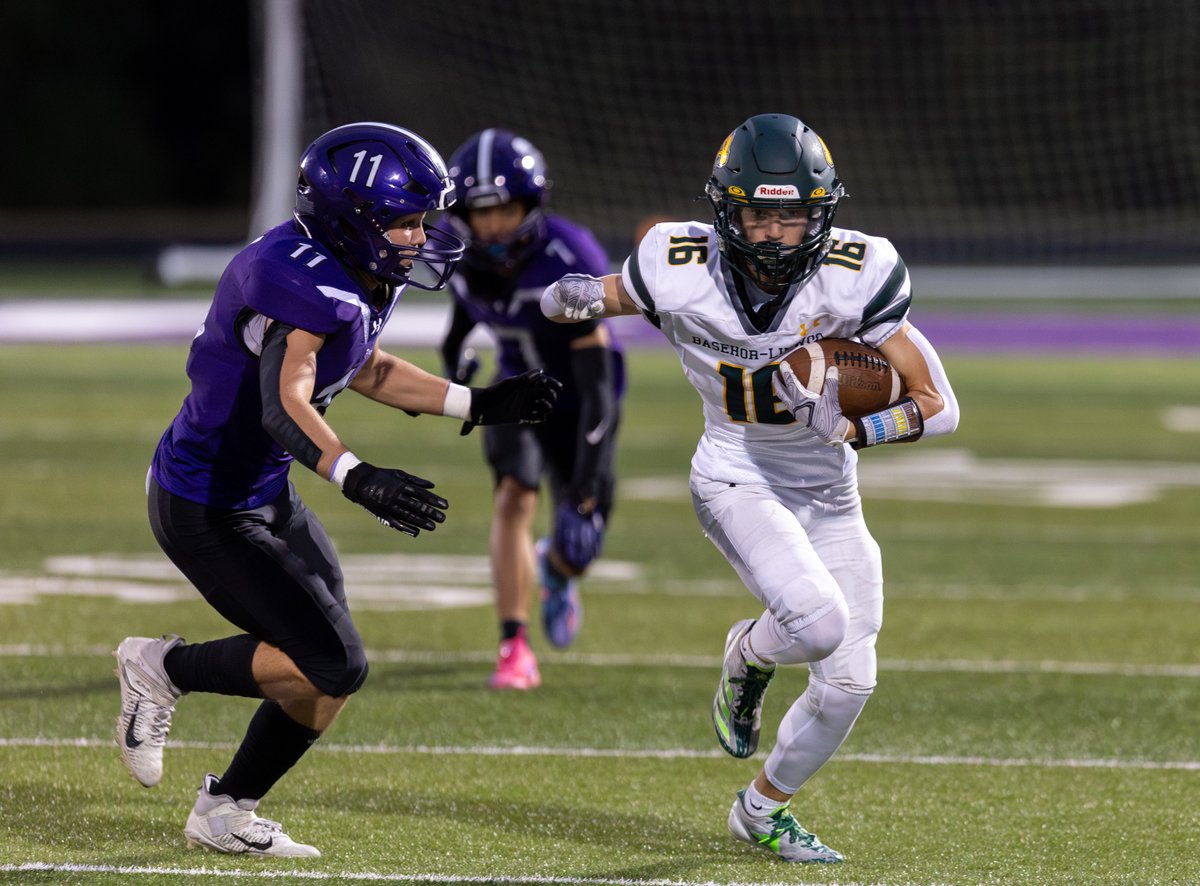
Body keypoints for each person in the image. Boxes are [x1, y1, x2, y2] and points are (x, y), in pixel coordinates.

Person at [114, 122, 561, 857]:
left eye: (423, 219)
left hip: (263, 490)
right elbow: (284, 403)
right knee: (333, 660)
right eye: (405, 221)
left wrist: (476, 403)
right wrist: (357, 475)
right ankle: (160, 668)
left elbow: (366, 366)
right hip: (206, 504)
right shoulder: (297, 278)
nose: (421, 236)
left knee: (328, 668)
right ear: (351, 218)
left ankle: (224, 810)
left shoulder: (354, 268)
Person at [541, 113, 959, 863]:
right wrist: (559, 297)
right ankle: (748, 655)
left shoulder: (858, 276)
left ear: (821, 214)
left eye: (791, 217)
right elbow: (597, 296)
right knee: (818, 624)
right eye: (757, 216)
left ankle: (761, 810)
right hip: (737, 473)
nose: (772, 235)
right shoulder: (677, 265)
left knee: (850, 682)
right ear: (724, 211)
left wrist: (856, 428)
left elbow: (940, 405)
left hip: (830, 490)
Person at [440, 128, 623, 690]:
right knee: (514, 495)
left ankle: (557, 571)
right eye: (481, 213)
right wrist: (455, 361)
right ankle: (513, 646)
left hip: (581, 402)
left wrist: (584, 491)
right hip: (515, 392)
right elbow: (465, 315)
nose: (494, 226)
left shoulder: (570, 256)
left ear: (530, 204)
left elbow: (597, 385)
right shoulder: (461, 259)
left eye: (505, 210)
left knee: (580, 546)